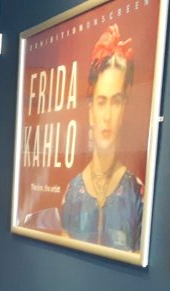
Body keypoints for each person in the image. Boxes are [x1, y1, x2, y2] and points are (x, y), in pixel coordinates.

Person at [61, 24, 143, 251]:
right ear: (90, 111)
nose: (107, 116)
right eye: (101, 101)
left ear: (124, 108)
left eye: (116, 102)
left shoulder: (136, 193)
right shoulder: (72, 192)